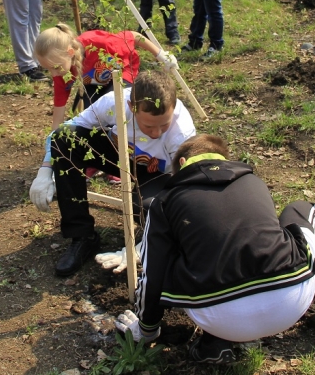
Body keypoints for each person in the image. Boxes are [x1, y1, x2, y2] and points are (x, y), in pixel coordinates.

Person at [112, 134, 315, 364]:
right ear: (225, 158)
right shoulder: (251, 180)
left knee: (179, 249)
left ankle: (217, 341)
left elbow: (152, 273)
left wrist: (147, 329)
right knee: (303, 210)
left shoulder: (164, 202)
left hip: (216, 313)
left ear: (179, 168)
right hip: (291, 300)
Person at [30, 71, 196, 276]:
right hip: (117, 155)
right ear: (130, 107)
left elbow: (187, 186)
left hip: (156, 172)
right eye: (149, 126)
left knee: (148, 207)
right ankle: (82, 236)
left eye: (164, 124)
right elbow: (64, 131)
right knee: (67, 139)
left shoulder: (182, 132)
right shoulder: (113, 103)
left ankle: (149, 241)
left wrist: (152, 239)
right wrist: (46, 169)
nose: (156, 133)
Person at [32, 22, 178, 131]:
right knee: (88, 116)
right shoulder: (61, 71)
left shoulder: (98, 44)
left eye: (55, 68)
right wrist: (54, 135)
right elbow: (59, 104)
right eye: (48, 69)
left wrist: (160, 54)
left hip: (122, 73)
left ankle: (122, 148)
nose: (53, 74)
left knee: (115, 107)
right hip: (94, 82)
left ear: (70, 53)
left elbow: (133, 36)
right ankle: (96, 152)